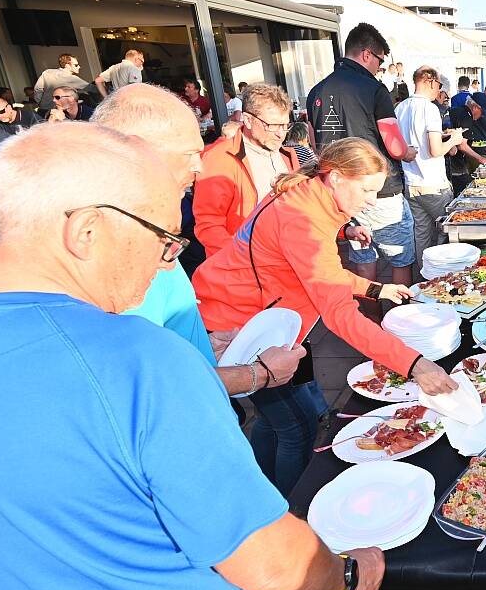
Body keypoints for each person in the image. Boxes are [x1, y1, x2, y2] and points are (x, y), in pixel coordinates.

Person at [0, 122, 387, 590]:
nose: (168, 261)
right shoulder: (137, 358)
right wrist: (349, 575)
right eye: (163, 238)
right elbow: (273, 565)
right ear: (86, 232)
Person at [193, 138, 457, 493]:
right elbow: (339, 315)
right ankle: (288, 511)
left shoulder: (309, 195)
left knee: (275, 423)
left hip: (266, 321)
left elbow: (320, 274)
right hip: (242, 327)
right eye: (365, 190)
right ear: (334, 177)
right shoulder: (304, 220)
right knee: (297, 426)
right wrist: (416, 365)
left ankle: (261, 487)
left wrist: (376, 289)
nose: (370, 200)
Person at [92, 82, 304, 399]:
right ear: (138, 150)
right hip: (244, 289)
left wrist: (207, 348)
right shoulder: (115, 249)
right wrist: (256, 375)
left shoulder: (146, 231)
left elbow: (169, 340)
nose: (199, 165)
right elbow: (146, 383)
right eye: (191, 154)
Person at [306, 22, 418, 291]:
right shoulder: (374, 90)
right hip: (379, 191)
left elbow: (313, 142)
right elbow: (394, 146)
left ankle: (369, 318)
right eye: (379, 62)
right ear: (367, 54)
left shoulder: (316, 91)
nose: (379, 68)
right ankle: (398, 319)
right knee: (400, 259)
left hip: (340, 193)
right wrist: (409, 152)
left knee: (363, 258)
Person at [195, 83, 301, 258]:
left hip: (286, 260)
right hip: (244, 268)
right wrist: (242, 259)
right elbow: (209, 225)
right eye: (272, 125)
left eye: (285, 125)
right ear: (248, 120)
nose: (280, 134)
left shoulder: (287, 155)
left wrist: (344, 230)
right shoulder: (219, 158)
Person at [397, 66, 468, 274]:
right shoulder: (429, 108)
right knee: (449, 231)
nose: (439, 90)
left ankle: (424, 276)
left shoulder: (400, 108)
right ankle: (447, 276)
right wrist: (454, 139)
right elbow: (435, 150)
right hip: (433, 182)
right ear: (429, 81)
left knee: (421, 234)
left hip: (411, 182)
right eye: (438, 85)